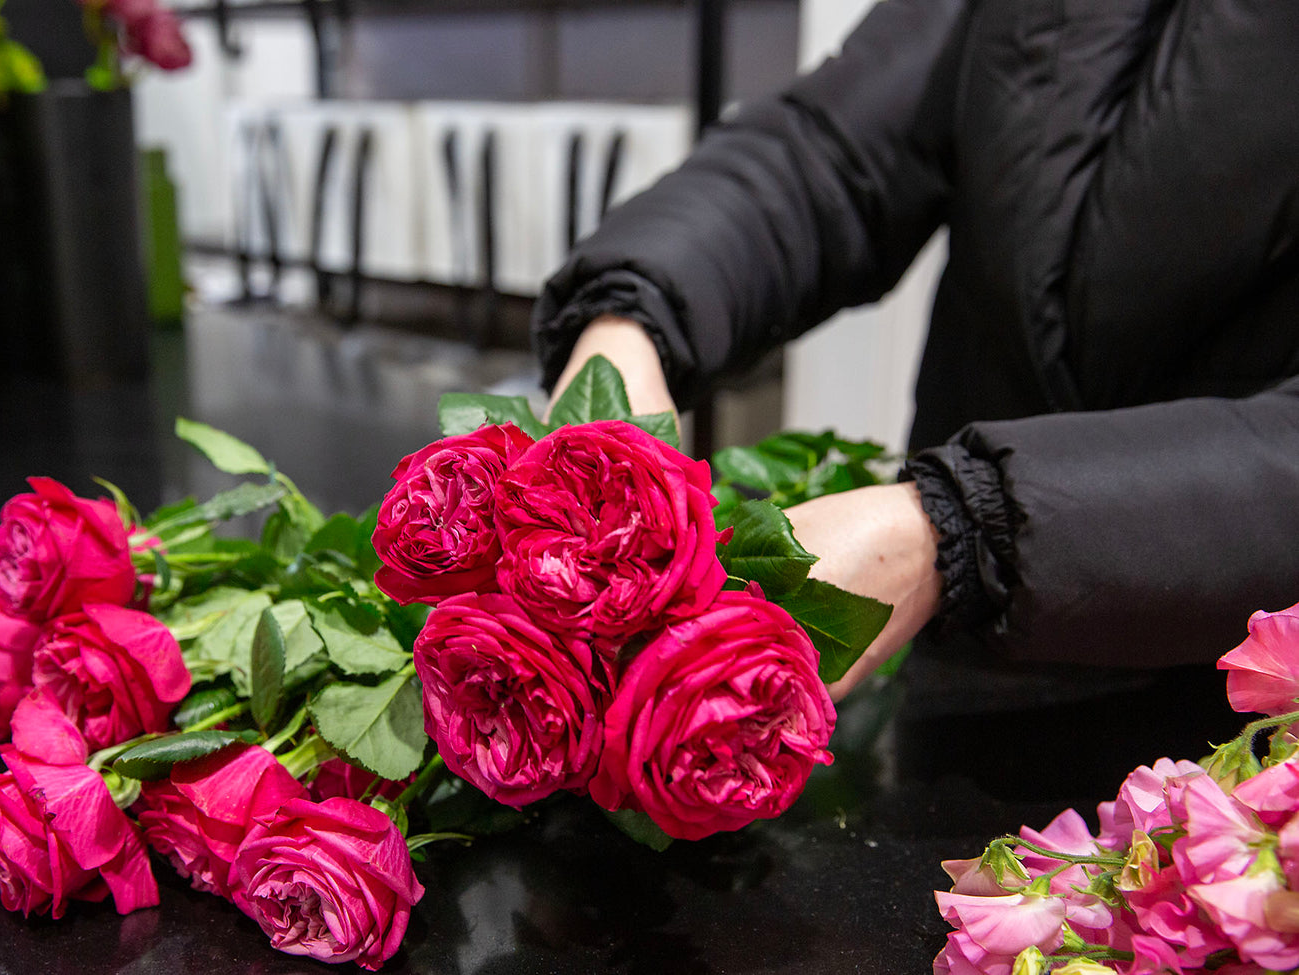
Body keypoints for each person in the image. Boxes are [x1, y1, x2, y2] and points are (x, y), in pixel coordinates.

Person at [531, 0, 1299, 797]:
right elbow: (826, 153)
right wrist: (629, 317)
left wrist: (960, 525)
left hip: (1237, 764)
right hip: (955, 701)